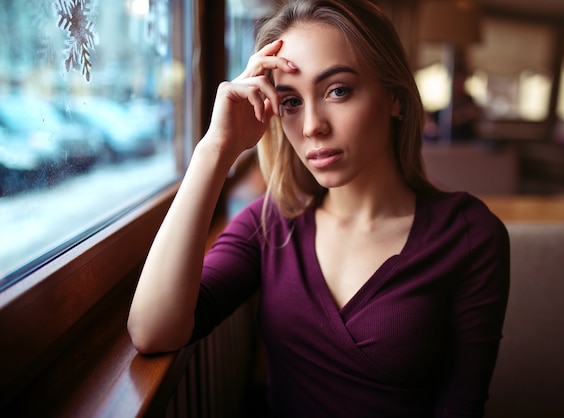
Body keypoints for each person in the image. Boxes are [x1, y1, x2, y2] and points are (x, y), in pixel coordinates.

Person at [127, 0, 510, 416]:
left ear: (395, 98)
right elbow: (152, 331)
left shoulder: (469, 234)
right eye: (290, 101)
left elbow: (462, 406)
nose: (312, 126)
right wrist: (215, 148)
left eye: (338, 90)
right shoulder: (271, 224)